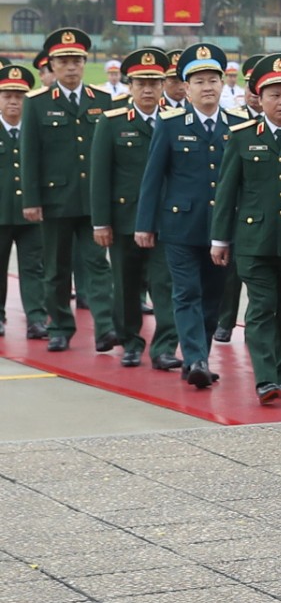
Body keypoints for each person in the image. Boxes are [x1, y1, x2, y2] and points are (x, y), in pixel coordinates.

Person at [210, 54, 281, 405]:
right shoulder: (241, 137)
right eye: (275, 95)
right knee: (261, 307)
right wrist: (220, 240)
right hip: (254, 241)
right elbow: (226, 192)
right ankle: (266, 379)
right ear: (259, 98)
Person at [135, 45, 231, 387]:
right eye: (199, 81)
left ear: (223, 84)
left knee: (212, 298)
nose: (207, 87)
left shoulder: (235, 126)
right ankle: (196, 359)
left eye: (213, 80)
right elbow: (153, 176)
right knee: (186, 293)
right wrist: (145, 224)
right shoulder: (171, 124)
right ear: (186, 89)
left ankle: (198, 357)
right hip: (179, 226)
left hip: (222, 229)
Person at [25, 28, 119, 354]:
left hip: (94, 200)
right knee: (56, 268)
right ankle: (61, 327)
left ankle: (106, 328)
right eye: (64, 61)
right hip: (55, 200)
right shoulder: (36, 104)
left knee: (98, 264)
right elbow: (29, 154)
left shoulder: (103, 101)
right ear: (52, 64)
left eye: (77, 60)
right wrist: (32, 199)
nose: (71, 67)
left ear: (84, 62)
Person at [90, 49, 180, 370]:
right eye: (141, 83)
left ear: (163, 85)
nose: (148, 90)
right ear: (130, 86)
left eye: (154, 83)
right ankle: (130, 341)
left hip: (167, 220)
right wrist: (101, 223)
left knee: (165, 284)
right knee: (126, 284)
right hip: (125, 219)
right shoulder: (112, 122)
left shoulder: (176, 119)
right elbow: (100, 177)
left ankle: (165, 347)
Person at [0, 63, 41, 335]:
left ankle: (37, 317)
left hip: (32, 213)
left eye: (19, 96)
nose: (14, 102)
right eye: (7, 96)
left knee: (35, 267)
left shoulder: (37, 130)